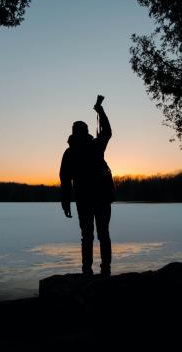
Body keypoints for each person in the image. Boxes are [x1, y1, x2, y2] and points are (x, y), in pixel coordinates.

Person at [60, 96, 115, 276]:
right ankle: (102, 271)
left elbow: (65, 180)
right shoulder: (94, 146)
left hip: (87, 199)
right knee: (101, 235)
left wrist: (66, 202)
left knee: (90, 236)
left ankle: (89, 271)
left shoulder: (74, 151)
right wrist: (99, 110)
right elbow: (65, 179)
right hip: (97, 198)